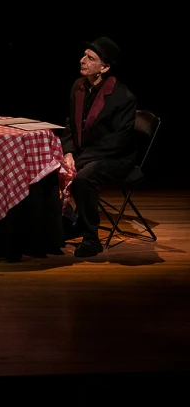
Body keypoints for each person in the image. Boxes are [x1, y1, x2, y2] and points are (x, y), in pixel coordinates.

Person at [60, 36, 138, 258]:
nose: (82, 60)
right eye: (84, 55)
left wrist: (80, 159)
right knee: (49, 166)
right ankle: (64, 222)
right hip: (85, 153)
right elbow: (70, 125)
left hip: (116, 157)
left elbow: (118, 141)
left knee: (83, 178)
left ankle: (91, 239)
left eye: (90, 58)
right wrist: (68, 152)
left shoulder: (123, 97)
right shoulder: (79, 87)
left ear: (104, 67)